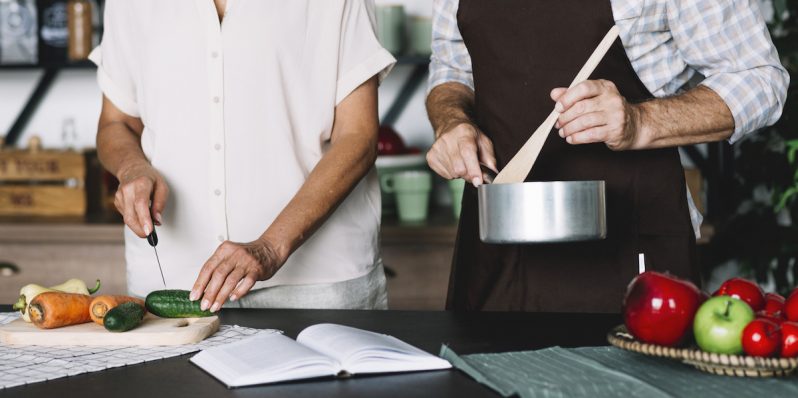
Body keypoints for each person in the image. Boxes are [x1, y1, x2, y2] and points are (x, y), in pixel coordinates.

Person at [426, 0, 789, 312]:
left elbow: (759, 78)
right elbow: (453, 68)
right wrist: (451, 121)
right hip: (494, 251)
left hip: (629, 252)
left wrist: (640, 121)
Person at [92, 0, 396, 311]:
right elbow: (116, 122)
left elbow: (358, 136)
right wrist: (131, 168)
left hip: (319, 280)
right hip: (173, 283)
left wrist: (270, 246)